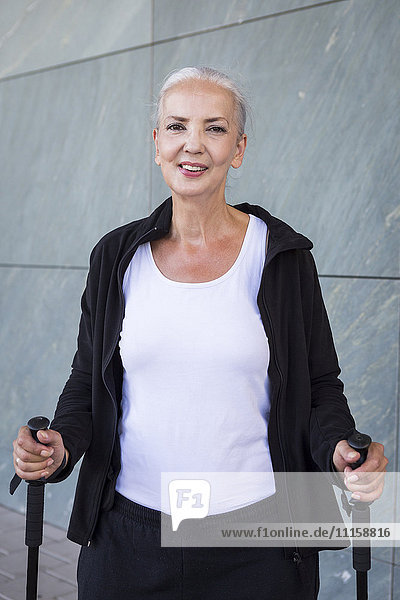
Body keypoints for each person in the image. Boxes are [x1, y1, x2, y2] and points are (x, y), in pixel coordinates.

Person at [12, 66, 388, 599]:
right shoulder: (116, 258)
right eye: (176, 126)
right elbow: (86, 384)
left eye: (214, 128)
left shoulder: (283, 258)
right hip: (128, 538)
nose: (193, 145)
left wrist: (342, 451)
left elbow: (321, 386)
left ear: (238, 148)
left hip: (261, 539)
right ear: (156, 142)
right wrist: (59, 448)